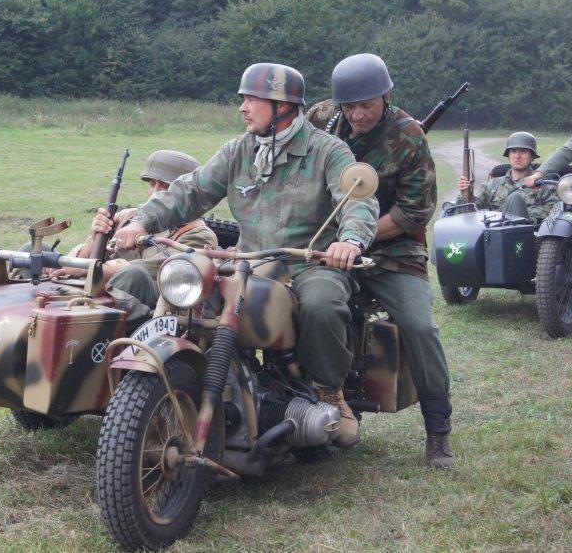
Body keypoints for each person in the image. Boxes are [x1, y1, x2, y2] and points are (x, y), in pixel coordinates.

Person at [113, 62, 379, 448]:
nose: (243, 107)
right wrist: (142, 220)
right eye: (244, 99)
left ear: (282, 106)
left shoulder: (327, 150)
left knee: (322, 304)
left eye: (253, 99)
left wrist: (349, 241)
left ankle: (329, 391)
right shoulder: (240, 150)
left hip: (309, 262)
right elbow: (192, 190)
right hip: (249, 262)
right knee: (190, 293)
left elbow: (357, 201)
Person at [306, 53, 455, 468]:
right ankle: (307, 407)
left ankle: (438, 428)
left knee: (419, 325)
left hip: (393, 250)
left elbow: (414, 211)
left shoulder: (408, 137)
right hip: (326, 245)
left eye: (366, 105)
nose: (357, 115)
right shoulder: (321, 118)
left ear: (387, 96)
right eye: (349, 106)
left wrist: (357, 238)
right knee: (294, 303)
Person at [50, 150, 218, 324]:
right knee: (41, 255)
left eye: (165, 187)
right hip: (101, 295)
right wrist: (95, 238)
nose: (155, 193)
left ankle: (77, 325)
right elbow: (78, 261)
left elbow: (153, 272)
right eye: (152, 184)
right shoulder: (130, 217)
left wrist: (89, 269)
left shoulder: (198, 235)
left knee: (134, 273)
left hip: (155, 312)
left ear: (186, 194)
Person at [457, 132, 557, 224]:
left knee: (515, 198)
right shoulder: (493, 185)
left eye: (523, 151)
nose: (517, 156)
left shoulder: (543, 186)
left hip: (526, 235)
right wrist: (467, 194)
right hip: (492, 234)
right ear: (508, 155)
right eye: (513, 151)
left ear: (532, 157)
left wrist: (518, 211)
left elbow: (554, 211)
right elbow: (469, 212)